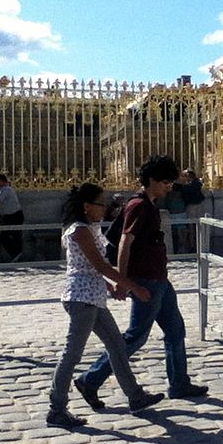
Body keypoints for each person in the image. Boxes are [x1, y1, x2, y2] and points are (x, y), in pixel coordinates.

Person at [75, 155, 208, 407]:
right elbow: (126, 242)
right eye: (166, 181)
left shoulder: (150, 204)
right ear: (152, 180)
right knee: (136, 337)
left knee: (175, 329)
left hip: (159, 279)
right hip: (146, 280)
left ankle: (179, 382)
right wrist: (124, 281)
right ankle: (91, 379)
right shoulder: (139, 206)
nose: (170, 186)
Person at [48, 184, 165, 428]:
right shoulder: (79, 231)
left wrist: (109, 287)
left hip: (93, 296)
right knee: (72, 354)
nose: (105, 207)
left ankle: (135, 396)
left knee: (117, 345)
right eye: (101, 203)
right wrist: (132, 286)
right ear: (87, 206)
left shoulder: (90, 228)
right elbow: (100, 265)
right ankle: (56, 408)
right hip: (82, 298)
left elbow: (92, 268)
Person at [181, 169, 205, 253]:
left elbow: (184, 194)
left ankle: (192, 246)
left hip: (191, 206)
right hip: (199, 204)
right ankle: (200, 244)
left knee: (191, 226)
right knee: (199, 225)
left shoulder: (187, 186)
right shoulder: (198, 184)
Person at [165, 176, 188, 253]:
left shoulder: (169, 194)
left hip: (173, 213)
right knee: (182, 232)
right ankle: (182, 248)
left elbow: (166, 203)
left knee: (174, 232)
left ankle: (177, 248)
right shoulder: (182, 193)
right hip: (181, 212)